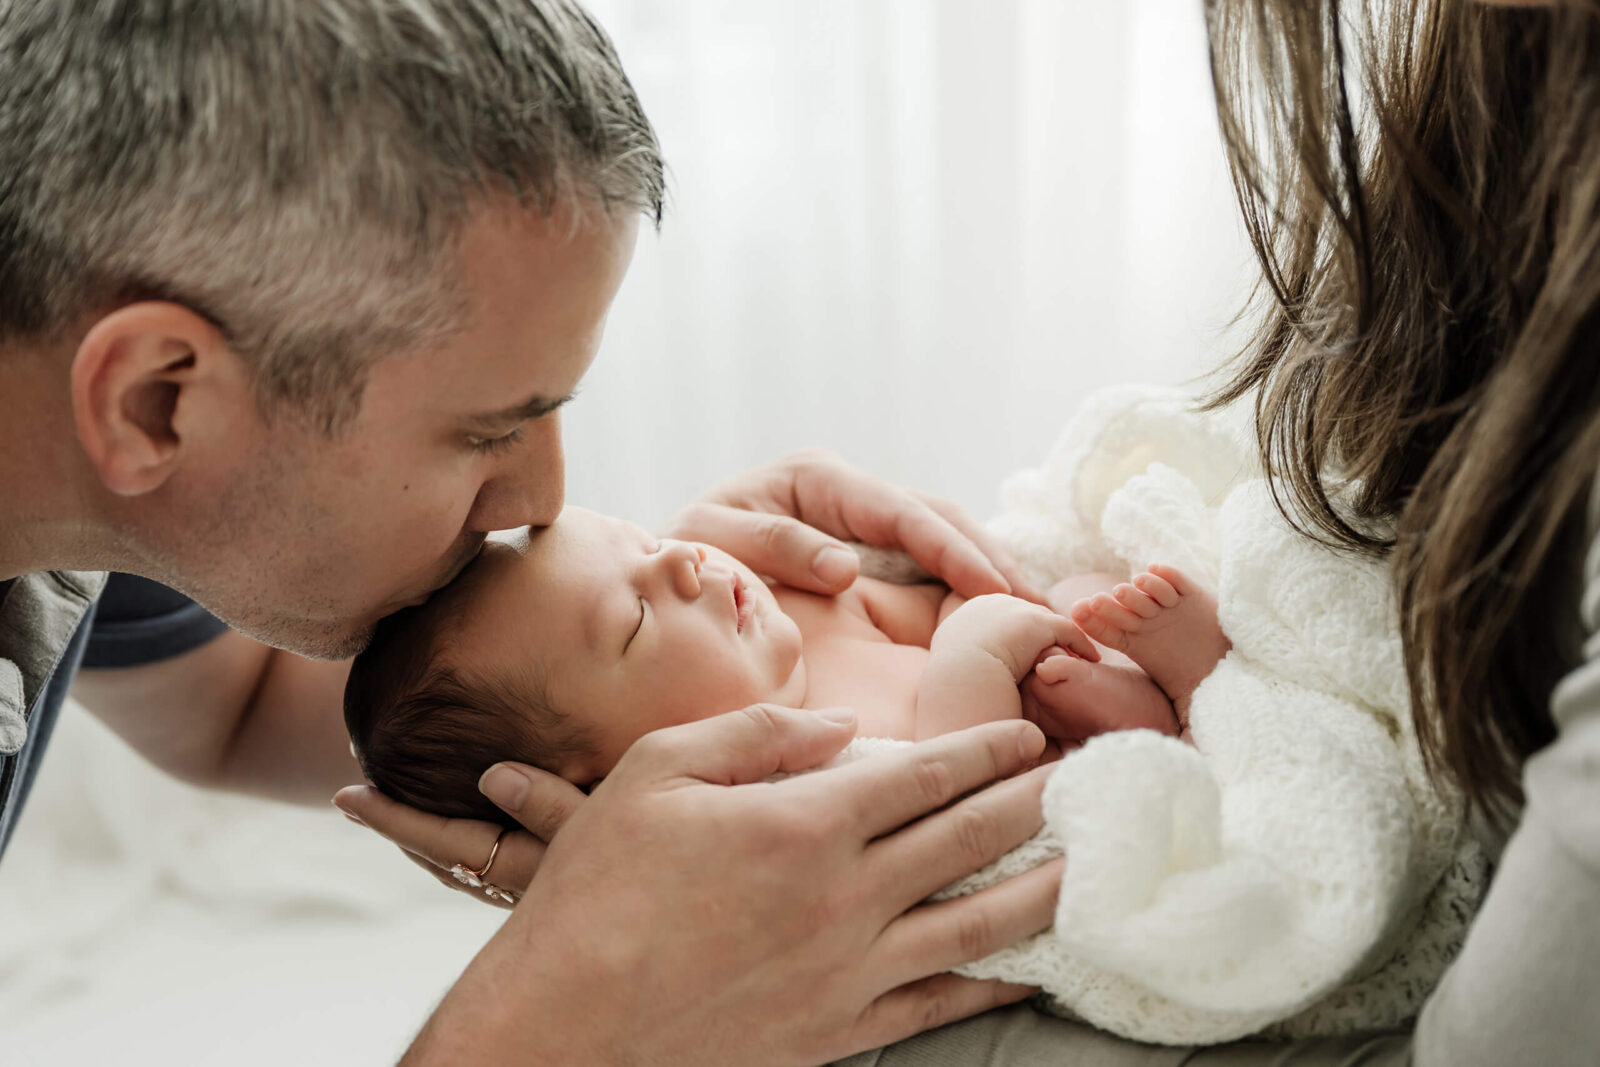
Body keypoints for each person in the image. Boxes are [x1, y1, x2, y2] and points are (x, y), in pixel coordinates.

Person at [0, 3, 1079, 1063]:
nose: (546, 500)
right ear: (154, 403)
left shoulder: (84, 481)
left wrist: (627, 643)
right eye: (488, 433)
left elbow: (232, 709)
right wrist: (568, 1010)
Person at [342, 506, 1186, 827]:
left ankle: (1171, 678)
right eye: (635, 620)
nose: (686, 565)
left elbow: (940, 604)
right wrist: (975, 664)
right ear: (603, 770)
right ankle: (1159, 707)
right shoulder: (760, 789)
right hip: (1036, 791)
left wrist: (971, 616)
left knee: (1081, 582)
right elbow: (954, 825)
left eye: (647, 542)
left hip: (1047, 680)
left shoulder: (803, 601)